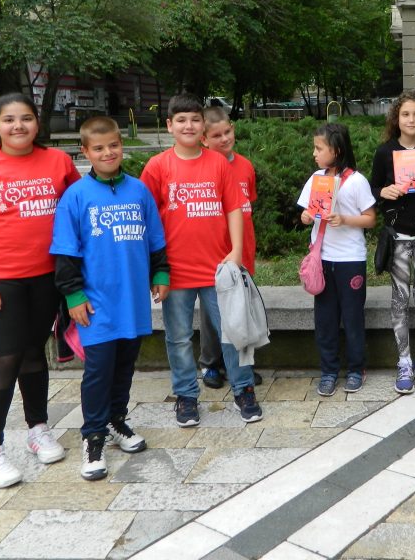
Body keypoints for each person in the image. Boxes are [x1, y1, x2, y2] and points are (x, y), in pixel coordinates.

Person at [0, 93, 81, 488]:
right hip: (2, 281)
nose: (18, 126)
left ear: (38, 123)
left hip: (47, 277)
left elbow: (79, 208)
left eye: (26, 118)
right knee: (5, 359)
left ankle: (38, 429)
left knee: (34, 354)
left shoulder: (58, 162)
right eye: (9, 120)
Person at [51, 116, 169, 480]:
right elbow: (65, 253)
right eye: (99, 148)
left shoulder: (139, 190)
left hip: (132, 302)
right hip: (96, 305)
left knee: (124, 366)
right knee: (98, 371)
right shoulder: (76, 197)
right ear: (85, 152)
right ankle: (94, 436)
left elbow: (156, 240)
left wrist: (160, 273)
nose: (108, 153)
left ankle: (117, 420)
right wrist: (73, 295)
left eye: (114, 145)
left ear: (122, 146)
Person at [140, 94, 262, 426]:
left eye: (195, 120)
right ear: (170, 125)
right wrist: (155, 269)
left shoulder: (218, 163)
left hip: (219, 269)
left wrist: (236, 253)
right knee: (178, 338)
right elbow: (147, 218)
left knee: (233, 332)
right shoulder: (157, 166)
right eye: (181, 120)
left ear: (203, 126)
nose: (188, 126)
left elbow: (234, 208)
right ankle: (186, 396)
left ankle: (243, 390)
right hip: (175, 271)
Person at [370, 91, 415, 394]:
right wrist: (382, 192)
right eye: (405, 114)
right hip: (398, 235)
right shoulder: (384, 152)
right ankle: (404, 362)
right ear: (396, 118)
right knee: (400, 300)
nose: (411, 120)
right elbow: (372, 188)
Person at [298, 123, 377, 396]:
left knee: (353, 317)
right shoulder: (316, 178)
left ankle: (356, 369)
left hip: (350, 260)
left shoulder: (357, 181)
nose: (314, 153)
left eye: (319, 148)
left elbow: (370, 219)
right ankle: (329, 371)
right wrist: (306, 216)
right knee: (325, 319)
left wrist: (344, 219)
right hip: (323, 259)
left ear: (337, 150)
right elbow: (305, 214)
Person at [198, 107, 262, 390]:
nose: (224, 139)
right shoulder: (205, 168)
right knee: (214, 316)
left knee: (242, 311)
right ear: (204, 139)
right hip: (216, 254)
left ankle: (241, 365)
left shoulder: (245, 166)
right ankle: (211, 363)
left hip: (244, 250)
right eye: (216, 135)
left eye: (227, 132)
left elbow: (247, 207)